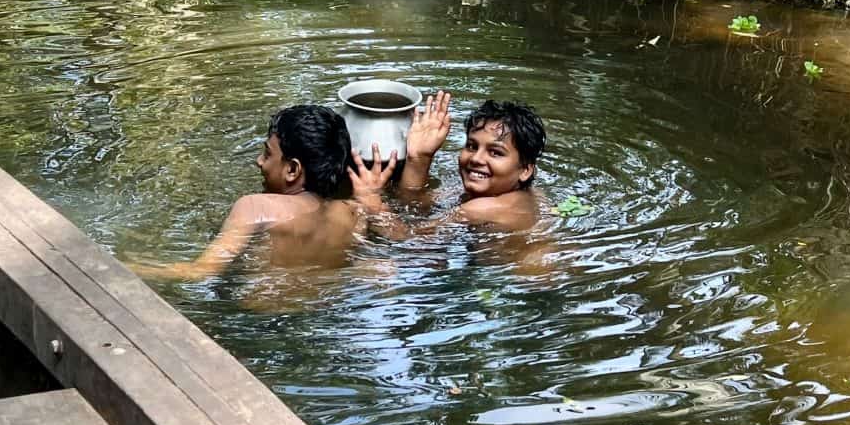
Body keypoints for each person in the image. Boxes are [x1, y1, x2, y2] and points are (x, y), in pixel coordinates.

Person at [132, 105, 367, 281]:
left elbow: (199, 273)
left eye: (267, 154)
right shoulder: (353, 214)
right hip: (313, 316)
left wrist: (126, 267)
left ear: (292, 169)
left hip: (256, 317)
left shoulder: (256, 207)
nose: (259, 162)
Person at [350, 93, 547, 233]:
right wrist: (419, 158)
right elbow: (415, 204)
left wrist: (372, 202)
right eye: (471, 146)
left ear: (526, 170)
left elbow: (410, 241)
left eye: (495, 153)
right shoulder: (532, 195)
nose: (477, 159)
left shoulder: (481, 208)